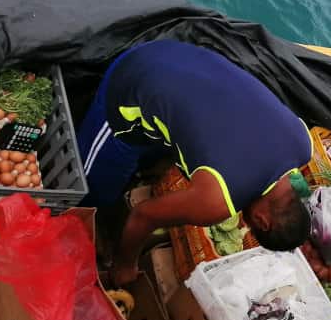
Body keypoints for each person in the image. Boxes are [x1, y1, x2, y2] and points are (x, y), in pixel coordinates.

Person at [76, 39, 313, 284]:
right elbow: (143, 215)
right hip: (132, 81)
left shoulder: (303, 144)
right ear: (262, 221)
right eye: (252, 225)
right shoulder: (217, 202)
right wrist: (125, 265)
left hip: (182, 52)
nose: (245, 221)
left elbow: (296, 185)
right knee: (93, 191)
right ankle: (84, 216)